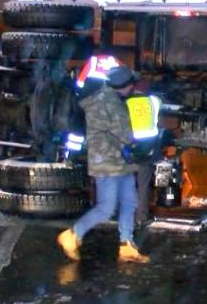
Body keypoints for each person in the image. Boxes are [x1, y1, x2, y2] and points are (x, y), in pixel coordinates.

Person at [57, 65, 150, 264]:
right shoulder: (103, 102)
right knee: (106, 208)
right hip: (107, 163)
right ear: (123, 86)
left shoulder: (114, 99)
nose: (133, 89)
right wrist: (132, 147)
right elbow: (112, 132)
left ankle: (126, 245)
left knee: (129, 202)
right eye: (131, 85)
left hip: (121, 161)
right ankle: (72, 235)